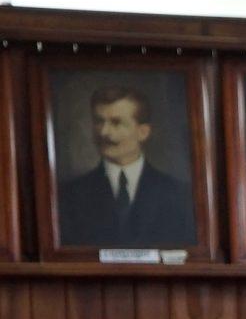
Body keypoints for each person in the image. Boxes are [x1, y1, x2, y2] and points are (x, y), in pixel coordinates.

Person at [56, 84, 196, 249]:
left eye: (116, 122)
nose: (104, 132)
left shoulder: (178, 194)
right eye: (99, 121)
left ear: (143, 132)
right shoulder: (69, 195)